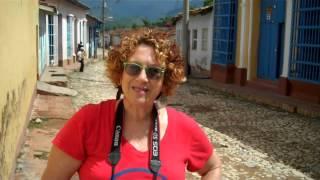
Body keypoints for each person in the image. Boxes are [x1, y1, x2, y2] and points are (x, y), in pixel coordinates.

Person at [42, 29, 221, 179]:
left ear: (164, 81)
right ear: (121, 74)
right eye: (133, 68)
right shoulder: (88, 121)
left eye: (154, 72)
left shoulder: (183, 127)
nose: (142, 77)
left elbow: (213, 168)